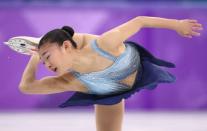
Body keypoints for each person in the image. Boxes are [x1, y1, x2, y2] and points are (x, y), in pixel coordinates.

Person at [19, 16, 203, 131]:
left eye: (47, 57)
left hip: (134, 66)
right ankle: (44, 43)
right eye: (43, 61)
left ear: (66, 46)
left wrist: (177, 24)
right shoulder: (70, 81)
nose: (46, 64)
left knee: (84, 46)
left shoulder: (105, 44)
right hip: (109, 94)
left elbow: (139, 21)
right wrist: (35, 57)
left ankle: (54, 40)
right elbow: (26, 87)